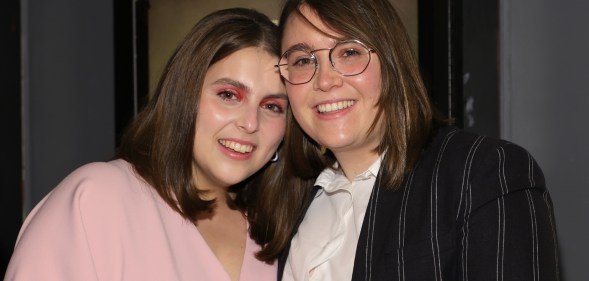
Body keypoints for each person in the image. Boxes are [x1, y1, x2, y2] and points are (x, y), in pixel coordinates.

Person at [274, 0, 561, 280]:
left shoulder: (483, 174)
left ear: (393, 60)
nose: (325, 80)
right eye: (302, 60)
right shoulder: (290, 201)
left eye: (349, 52)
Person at [4, 8, 287, 281]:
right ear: (183, 94)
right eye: (228, 94)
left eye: (272, 106)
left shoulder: (286, 232)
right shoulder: (96, 201)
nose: (250, 123)